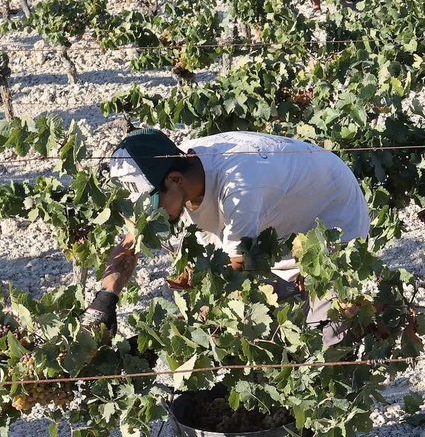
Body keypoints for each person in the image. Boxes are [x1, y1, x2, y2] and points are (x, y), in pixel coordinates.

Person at [82, 128, 370, 336]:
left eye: (155, 205)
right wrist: (104, 301)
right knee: (261, 328)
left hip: (332, 223)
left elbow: (235, 279)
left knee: (322, 341)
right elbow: (134, 237)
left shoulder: (240, 190)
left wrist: (175, 333)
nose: (152, 215)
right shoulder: (178, 162)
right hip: (274, 223)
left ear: (175, 179)